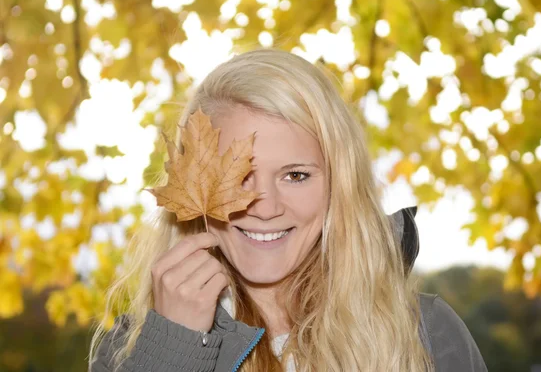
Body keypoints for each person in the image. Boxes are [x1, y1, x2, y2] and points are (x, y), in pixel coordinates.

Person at [89, 49, 487, 372]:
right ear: (196, 186)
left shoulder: (426, 333)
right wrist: (173, 348)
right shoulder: (130, 352)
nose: (266, 207)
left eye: (296, 175)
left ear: (338, 186)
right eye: (240, 177)